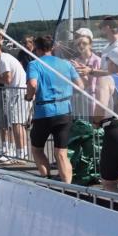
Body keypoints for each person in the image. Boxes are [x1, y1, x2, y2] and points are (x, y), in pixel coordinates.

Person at [24, 35, 83, 183]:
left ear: (37, 49)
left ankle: (47, 179)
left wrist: (29, 96)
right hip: (64, 111)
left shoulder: (34, 64)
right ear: (52, 48)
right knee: (61, 153)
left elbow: (32, 84)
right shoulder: (66, 64)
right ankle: (68, 187)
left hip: (44, 112)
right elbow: (80, 86)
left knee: (37, 149)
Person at [95, 46, 118, 192]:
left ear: (112, 62)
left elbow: (100, 107)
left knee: (109, 181)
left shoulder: (106, 80)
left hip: (116, 131)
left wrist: (95, 121)